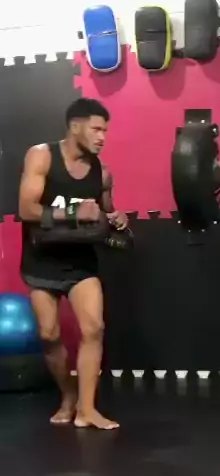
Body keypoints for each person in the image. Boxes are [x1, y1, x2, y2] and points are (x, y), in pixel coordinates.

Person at [18, 98, 128, 430]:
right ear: (75, 126)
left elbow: (105, 210)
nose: (102, 137)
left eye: (105, 131)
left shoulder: (102, 173)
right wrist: (72, 211)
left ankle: (87, 409)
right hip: (42, 261)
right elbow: (26, 208)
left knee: (94, 329)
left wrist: (116, 217)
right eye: (96, 129)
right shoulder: (42, 156)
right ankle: (68, 396)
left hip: (81, 263)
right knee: (49, 334)